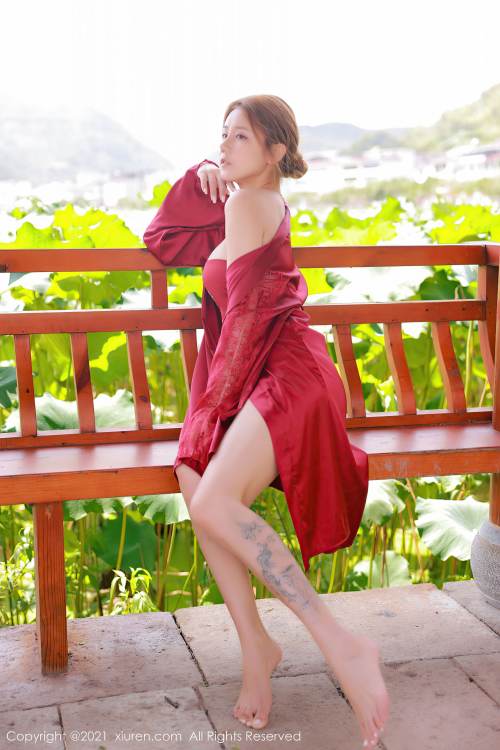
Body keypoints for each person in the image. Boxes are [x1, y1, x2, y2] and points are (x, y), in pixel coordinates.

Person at [143, 95, 389, 748]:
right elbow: (163, 239)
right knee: (195, 479)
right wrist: (198, 176)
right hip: (269, 371)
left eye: (241, 138)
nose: (225, 147)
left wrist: (211, 412)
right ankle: (256, 645)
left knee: (209, 493)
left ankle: (337, 641)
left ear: (276, 150)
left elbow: (249, 320)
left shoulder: (249, 204)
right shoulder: (243, 204)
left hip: (288, 378)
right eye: (221, 136)